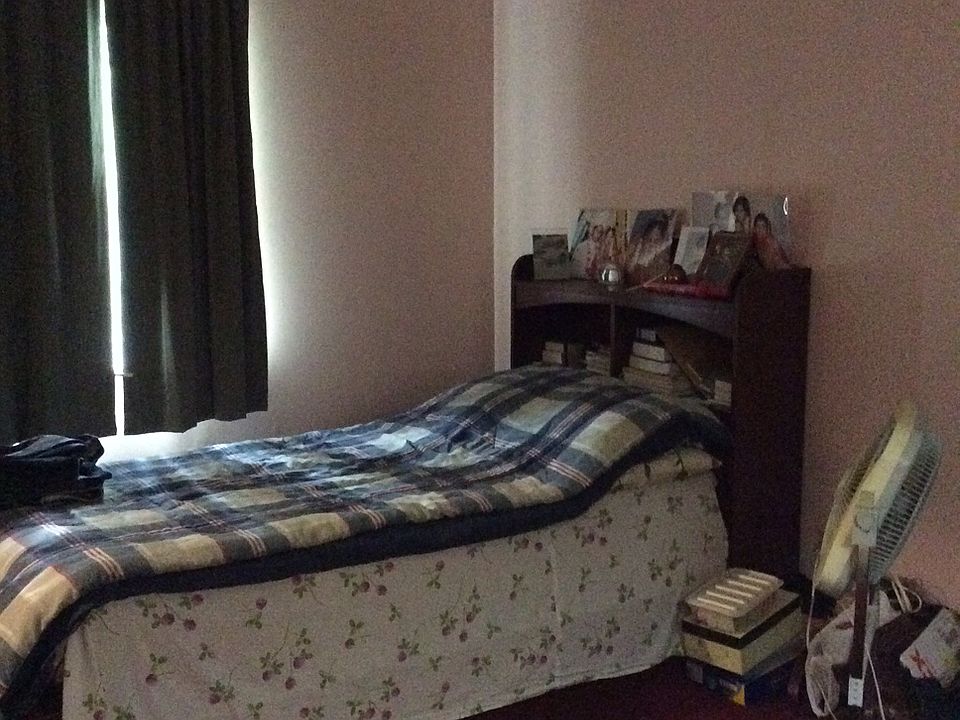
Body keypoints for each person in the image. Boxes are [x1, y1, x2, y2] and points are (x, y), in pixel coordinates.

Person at [624, 216, 671, 286]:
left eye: (656, 240)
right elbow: (629, 270)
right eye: (649, 239)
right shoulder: (637, 257)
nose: (651, 244)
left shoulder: (660, 261)